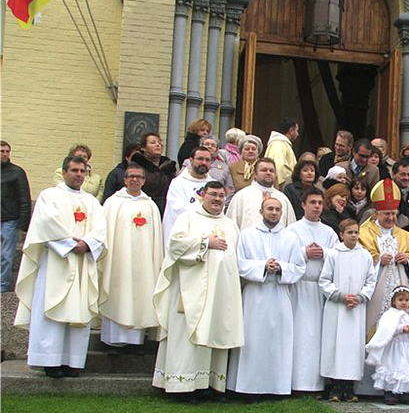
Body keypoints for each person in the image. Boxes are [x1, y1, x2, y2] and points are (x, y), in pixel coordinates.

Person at [15, 155, 107, 377]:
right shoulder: (50, 196)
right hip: (57, 261)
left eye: (82, 171)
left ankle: (72, 362)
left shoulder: (92, 202)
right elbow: (47, 224)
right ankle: (50, 361)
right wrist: (70, 244)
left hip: (83, 261)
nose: (78, 175)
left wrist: (87, 244)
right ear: (64, 172)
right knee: (52, 307)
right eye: (74, 170)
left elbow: (101, 228)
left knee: (79, 308)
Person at [152, 181, 243, 394]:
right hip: (189, 289)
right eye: (213, 195)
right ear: (203, 195)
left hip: (219, 291)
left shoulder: (230, 225)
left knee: (213, 334)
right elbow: (174, 245)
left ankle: (207, 385)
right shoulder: (188, 218)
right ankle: (181, 385)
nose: (217, 199)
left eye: (221, 195)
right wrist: (205, 243)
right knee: (186, 338)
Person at [227, 197, 306, 395]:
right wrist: (262, 266)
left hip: (280, 294)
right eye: (270, 209)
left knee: (278, 342)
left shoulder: (290, 238)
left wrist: (280, 267)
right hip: (255, 294)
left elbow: (299, 267)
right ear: (261, 212)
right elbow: (239, 263)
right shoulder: (246, 235)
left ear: (281, 213)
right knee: (252, 341)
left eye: (277, 209)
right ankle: (248, 387)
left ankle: (276, 387)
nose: (273, 212)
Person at [100, 163, 163, 349]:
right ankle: (112, 340)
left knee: (139, 297)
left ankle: (135, 342)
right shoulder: (113, 202)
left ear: (144, 181)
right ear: (125, 179)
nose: (134, 179)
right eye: (131, 176)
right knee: (118, 295)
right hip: (118, 261)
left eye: (139, 177)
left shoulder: (150, 206)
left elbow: (156, 240)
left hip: (143, 264)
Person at [286, 189, 339, 393]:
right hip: (299, 289)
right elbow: (285, 253)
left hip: (319, 291)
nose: (317, 206)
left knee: (318, 337)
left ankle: (317, 384)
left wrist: (324, 252)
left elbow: (338, 256)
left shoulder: (329, 232)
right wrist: (304, 253)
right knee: (299, 336)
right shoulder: (292, 230)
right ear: (303, 205)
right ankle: (296, 382)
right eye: (312, 202)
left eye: (319, 203)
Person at [319, 218, 376, 402]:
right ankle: (335, 386)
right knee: (335, 345)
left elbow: (370, 281)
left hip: (356, 309)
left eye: (356, 232)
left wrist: (359, 297)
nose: (354, 235)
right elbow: (324, 280)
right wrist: (340, 296)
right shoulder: (334, 254)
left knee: (352, 347)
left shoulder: (365, 255)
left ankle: (349, 388)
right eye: (350, 232)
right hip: (337, 307)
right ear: (341, 234)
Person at [359, 180, 409, 336]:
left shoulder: (406, 236)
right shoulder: (364, 234)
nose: (391, 217)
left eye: (394, 214)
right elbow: (361, 259)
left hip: (400, 289)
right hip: (377, 292)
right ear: (376, 214)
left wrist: (406, 261)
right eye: (387, 214)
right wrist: (379, 261)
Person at [161, 146, 214, 245]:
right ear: (191, 160)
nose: (204, 163)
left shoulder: (213, 184)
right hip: (185, 234)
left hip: (208, 234)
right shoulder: (178, 183)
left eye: (207, 160)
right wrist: (205, 210)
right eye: (200, 159)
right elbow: (178, 208)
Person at [226, 158, 296, 230]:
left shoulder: (283, 199)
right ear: (255, 174)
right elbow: (231, 228)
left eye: (271, 171)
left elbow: (291, 229)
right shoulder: (241, 196)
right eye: (264, 170)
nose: (268, 173)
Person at [1, 141, 31, 293]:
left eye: (7, 151)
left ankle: (3, 287)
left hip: (9, 220)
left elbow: (24, 197)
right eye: (2, 151)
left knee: (6, 256)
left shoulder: (16, 172)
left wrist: (23, 222)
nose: (5, 154)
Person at [131, 132, 177, 216]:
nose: (157, 145)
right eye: (153, 143)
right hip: (143, 208)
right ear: (143, 148)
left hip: (165, 210)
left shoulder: (169, 167)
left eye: (159, 143)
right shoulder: (137, 166)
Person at [264, 116, 300, 186]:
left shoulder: (282, 144)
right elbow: (279, 168)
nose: (298, 134)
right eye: (297, 131)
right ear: (291, 131)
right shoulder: (278, 144)